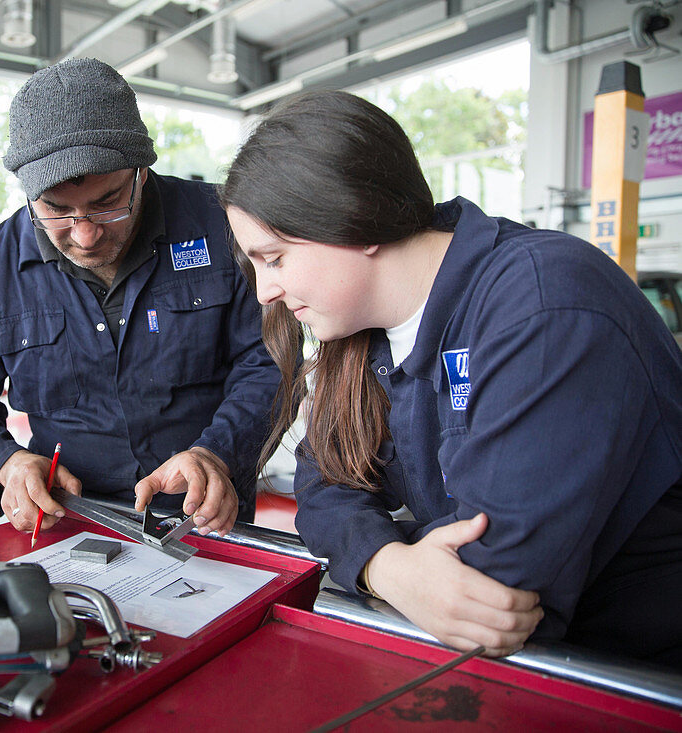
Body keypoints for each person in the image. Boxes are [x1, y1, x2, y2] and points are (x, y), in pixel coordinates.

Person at [221, 90, 682, 668]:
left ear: (354, 217)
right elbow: (324, 485)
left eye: (275, 258)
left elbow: (500, 589)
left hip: (635, 676)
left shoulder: (544, 305)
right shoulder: (365, 335)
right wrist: (387, 567)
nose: (266, 292)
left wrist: (389, 559)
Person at [0, 58, 281, 538]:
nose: (85, 235)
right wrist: (7, 464)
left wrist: (217, 452)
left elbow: (270, 361)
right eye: (56, 210)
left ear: (141, 171)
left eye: (108, 203)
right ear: (28, 193)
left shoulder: (224, 227)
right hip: (68, 520)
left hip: (207, 515)